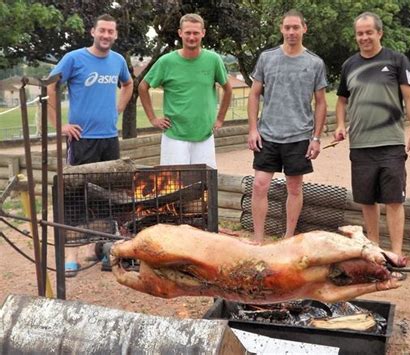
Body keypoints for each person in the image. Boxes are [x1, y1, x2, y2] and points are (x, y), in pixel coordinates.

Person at [47, 14, 133, 277]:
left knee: (110, 194)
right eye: (102, 31)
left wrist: (118, 108)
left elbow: (128, 84)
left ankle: (106, 248)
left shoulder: (118, 60)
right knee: (74, 195)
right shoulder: (74, 59)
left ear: (115, 35)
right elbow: (51, 86)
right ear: (92, 31)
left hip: (109, 138)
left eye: (111, 31)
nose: (106, 35)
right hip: (81, 140)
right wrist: (59, 126)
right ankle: (70, 256)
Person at [334, 12, 410, 266]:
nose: (364, 37)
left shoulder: (396, 60)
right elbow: (341, 100)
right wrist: (340, 124)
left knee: (394, 200)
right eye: (360, 33)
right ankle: (374, 252)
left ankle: (395, 255)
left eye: (368, 32)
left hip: (391, 143)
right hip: (360, 145)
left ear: (379, 33)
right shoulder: (349, 65)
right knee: (367, 201)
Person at [247, 9, 328, 243]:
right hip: (268, 135)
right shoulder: (267, 58)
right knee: (259, 185)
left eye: (296, 27)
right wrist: (253, 129)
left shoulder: (315, 63)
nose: (291, 32)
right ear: (281, 29)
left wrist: (316, 137)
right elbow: (254, 95)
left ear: (304, 29)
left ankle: (289, 238)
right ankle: (258, 239)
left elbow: (321, 102)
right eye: (287, 27)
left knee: (294, 188)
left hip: (299, 136)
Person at [138, 13, 232, 169]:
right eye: (188, 32)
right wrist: (153, 118)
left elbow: (228, 90)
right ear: (180, 33)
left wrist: (220, 118)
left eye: (196, 33)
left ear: (203, 33)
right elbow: (142, 87)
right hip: (174, 135)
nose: (192, 37)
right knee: (174, 185)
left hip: (204, 134)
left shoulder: (213, 60)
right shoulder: (166, 61)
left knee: (204, 185)